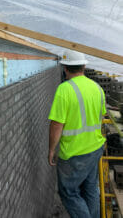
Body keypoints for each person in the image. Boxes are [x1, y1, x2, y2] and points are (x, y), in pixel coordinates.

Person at [48, 50, 106, 218]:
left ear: (65, 68)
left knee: (69, 193)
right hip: (95, 149)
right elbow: (100, 117)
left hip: (74, 154)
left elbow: (57, 125)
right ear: (84, 66)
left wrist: (51, 150)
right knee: (90, 189)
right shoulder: (97, 88)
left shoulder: (64, 89)